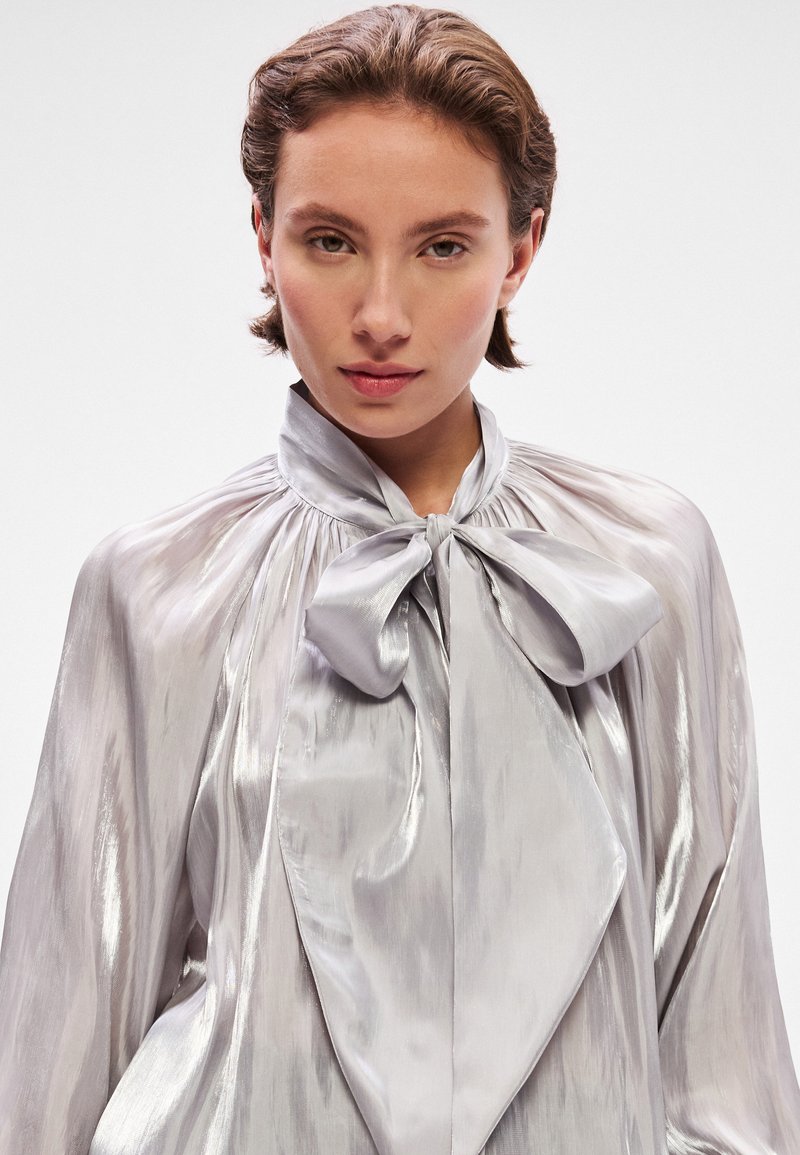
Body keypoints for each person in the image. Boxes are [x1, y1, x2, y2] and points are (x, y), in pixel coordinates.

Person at [0, 4, 798, 1152]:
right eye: (329, 241)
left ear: (519, 250)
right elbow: (51, 1061)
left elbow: (722, 1056)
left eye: (441, 247)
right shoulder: (158, 588)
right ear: (263, 237)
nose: (380, 316)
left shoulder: (639, 568)